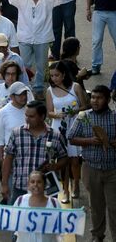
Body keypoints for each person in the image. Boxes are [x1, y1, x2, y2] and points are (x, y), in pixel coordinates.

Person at [69, 85, 116, 242]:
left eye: (99, 98)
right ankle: (97, 235)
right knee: (95, 206)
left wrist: (111, 142)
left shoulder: (114, 117)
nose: (95, 101)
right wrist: (90, 141)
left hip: (112, 169)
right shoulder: (83, 116)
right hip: (91, 167)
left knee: (114, 207)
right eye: (93, 97)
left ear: (108, 100)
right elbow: (71, 137)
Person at [1, 101, 68, 205]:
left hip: (48, 188)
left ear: (42, 116)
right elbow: (8, 158)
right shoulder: (17, 133)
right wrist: (4, 184)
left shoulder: (55, 135)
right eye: (26, 115)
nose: (27, 119)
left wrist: (55, 166)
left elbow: (64, 158)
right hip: (21, 187)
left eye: (31, 116)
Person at [46, 60, 88, 203]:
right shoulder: (50, 91)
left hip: (74, 125)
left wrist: (74, 111)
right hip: (58, 126)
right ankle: (65, 190)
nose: (54, 78)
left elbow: (85, 106)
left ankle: (76, 184)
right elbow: (49, 112)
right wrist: (57, 115)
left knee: (75, 160)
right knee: (62, 161)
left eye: (57, 75)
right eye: (52, 76)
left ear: (63, 75)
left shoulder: (75, 87)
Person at [9, 0, 59, 99]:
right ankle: (22, 88)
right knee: (24, 64)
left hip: (43, 36)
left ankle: (39, 89)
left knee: (41, 65)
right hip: (24, 36)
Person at [87, 0, 116, 75]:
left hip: (114, 13)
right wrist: (88, 9)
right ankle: (96, 65)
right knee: (97, 40)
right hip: (99, 12)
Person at [13, 171, 61, 242]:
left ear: (45, 185)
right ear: (28, 185)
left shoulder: (54, 203)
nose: (35, 184)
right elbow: (12, 220)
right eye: (32, 182)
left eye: (39, 182)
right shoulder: (20, 201)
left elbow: (61, 225)